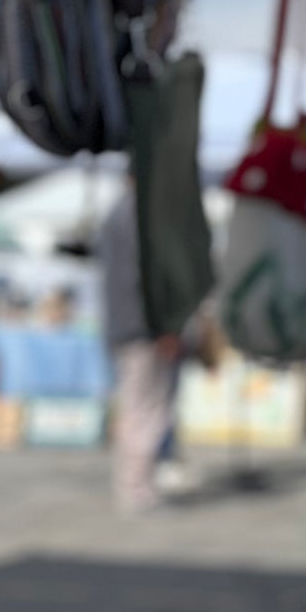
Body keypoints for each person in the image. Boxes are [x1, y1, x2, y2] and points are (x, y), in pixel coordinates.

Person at [99, 175, 178, 514]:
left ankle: (138, 486)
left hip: (128, 325)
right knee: (144, 409)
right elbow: (144, 276)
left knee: (137, 407)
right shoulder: (137, 214)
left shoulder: (118, 212)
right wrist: (163, 326)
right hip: (141, 327)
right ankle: (137, 490)